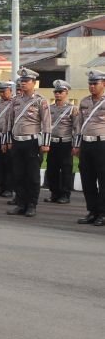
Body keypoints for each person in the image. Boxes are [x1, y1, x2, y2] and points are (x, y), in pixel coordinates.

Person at [1, 68, 51, 217]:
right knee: (18, 174)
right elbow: (8, 121)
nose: (23, 84)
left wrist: (46, 143)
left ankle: (31, 205)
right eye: (21, 81)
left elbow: (47, 124)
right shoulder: (15, 100)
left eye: (26, 81)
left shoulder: (40, 101)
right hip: (17, 142)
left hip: (32, 142)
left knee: (32, 176)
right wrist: (6, 140)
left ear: (34, 83)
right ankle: (21, 204)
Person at [73, 69, 105, 226]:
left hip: (102, 144)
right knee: (88, 179)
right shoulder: (84, 102)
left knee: (103, 179)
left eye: (95, 83)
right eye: (90, 83)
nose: (92, 86)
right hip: (86, 144)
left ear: (103, 84)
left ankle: (103, 213)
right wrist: (77, 145)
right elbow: (79, 125)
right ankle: (92, 211)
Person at [45, 80, 77, 204]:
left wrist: (75, 145)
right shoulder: (49, 108)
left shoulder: (72, 109)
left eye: (60, 91)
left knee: (65, 170)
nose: (57, 94)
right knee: (52, 169)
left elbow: (76, 128)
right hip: (52, 143)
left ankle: (65, 194)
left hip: (65, 142)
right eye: (56, 91)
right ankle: (54, 193)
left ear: (66, 93)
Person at [0, 82, 15, 199]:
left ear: (10, 90)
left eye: (4, 91)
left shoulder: (14, 103)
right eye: (0, 91)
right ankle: (1, 187)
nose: (2, 94)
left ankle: (9, 188)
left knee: (9, 163)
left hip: (9, 137)